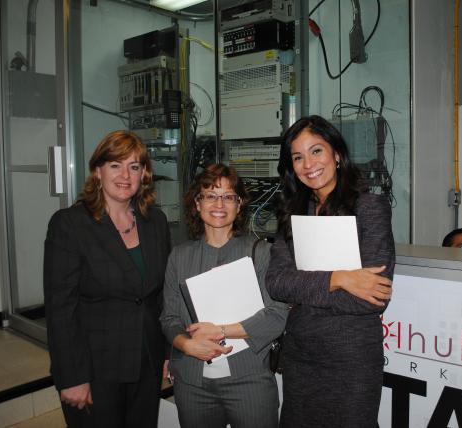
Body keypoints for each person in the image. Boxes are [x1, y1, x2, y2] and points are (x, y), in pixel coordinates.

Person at [265, 115, 395, 428]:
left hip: (351, 359)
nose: (308, 163)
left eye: (316, 151)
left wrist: (306, 293)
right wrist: (340, 279)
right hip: (300, 355)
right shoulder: (293, 211)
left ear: (336, 154)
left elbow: (371, 299)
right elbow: (277, 283)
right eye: (298, 157)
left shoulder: (369, 207)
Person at [43, 130, 171, 428]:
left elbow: (162, 295)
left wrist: (169, 350)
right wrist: (72, 377)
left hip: (146, 363)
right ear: (97, 170)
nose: (125, 175)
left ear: (144, 175)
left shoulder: (156, 222)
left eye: (134, 166)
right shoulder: (70, 225)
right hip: (95, 369)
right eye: (115, 165)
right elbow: (60, 308)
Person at [160, 163, 288, 428]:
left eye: (228, 196)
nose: (219, 204)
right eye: (210, 195)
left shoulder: (260, 252)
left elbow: (277, 316)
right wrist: (186, 344)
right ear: (197, 203)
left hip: (250, 379)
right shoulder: (179, 256)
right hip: (193, 383)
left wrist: (219, 330)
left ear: (239, 205)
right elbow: (169, 318)